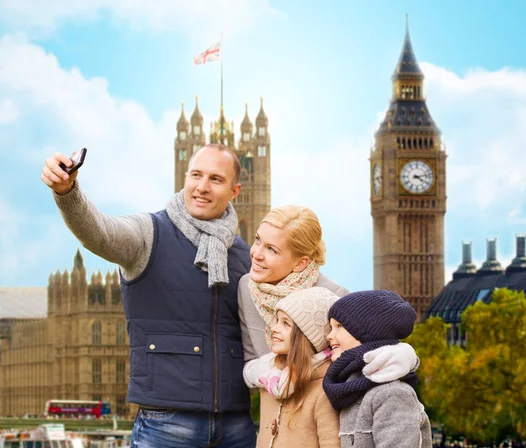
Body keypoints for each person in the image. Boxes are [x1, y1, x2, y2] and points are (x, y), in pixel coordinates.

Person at [41, 144, 256, 448]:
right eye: (196, 175)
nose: (202, 187)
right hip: (166, 425)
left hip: (236, 425)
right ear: (185, 177)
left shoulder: (245, 255)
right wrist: (67, 191)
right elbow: (99, 232)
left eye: (215, 179)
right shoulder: (149, 233)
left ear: (235, 191)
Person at [238, 205, 419, 381]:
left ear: (301, 263)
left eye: (271, 249)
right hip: (273, 407)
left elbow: (367, 357)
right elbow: (250, 361)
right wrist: (276, 375)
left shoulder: (336, 297)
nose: (256, 254)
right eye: (257, 240)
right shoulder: (246, 287)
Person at [323, 290, 433, 448]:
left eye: (339, 326)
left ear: (368, 333)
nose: (329, 336)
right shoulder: (351, 391)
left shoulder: (392, 394)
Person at [244, 287, 341, 447]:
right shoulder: (270, 380)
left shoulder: (325, 391)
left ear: (307, 336)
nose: (274, 329)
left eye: (286, 324)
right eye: (277, 321)